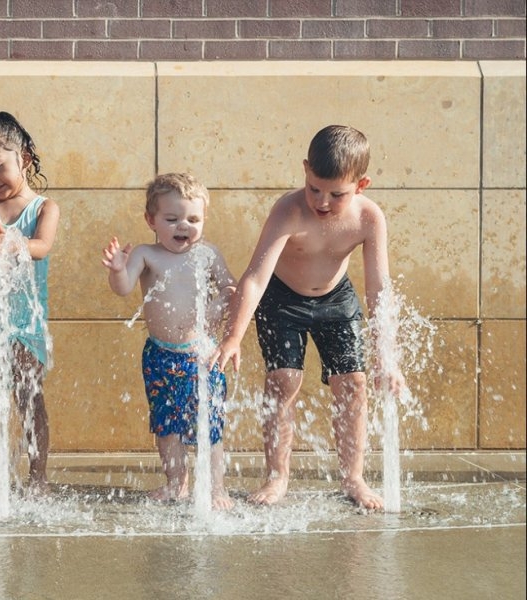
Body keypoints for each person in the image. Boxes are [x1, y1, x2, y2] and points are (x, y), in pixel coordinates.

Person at [211, 125, 405, 510]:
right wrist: (233, 336)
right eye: (314, 188)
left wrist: (388, 354)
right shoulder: (289, 210)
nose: (322, 201)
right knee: (284, 380)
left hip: (337, 299)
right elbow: (254, 278)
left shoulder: (369, 218)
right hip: (283, 299)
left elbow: (379, 288)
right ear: (304, 170)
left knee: (353, 382)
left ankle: (354, 478)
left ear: (361, 185)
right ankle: (278, 476)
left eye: (337, 194)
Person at [102, 173, 236, 510]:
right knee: (166, 427)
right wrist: (118, 269)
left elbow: (230, 288)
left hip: (203, 355)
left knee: (210, 426)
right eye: (172, 218)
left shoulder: (208, 254)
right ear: (151, 220)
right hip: (161, 355)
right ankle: (177, 483)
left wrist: (220, 306)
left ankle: (216, 488)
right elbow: (122, 288)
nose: (184, 226)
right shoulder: (147, 255)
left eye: (194, 219)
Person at [0, 112, 59, 496]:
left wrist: (13, 243)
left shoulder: (45, 208)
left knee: (29, 393)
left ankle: (38, 478)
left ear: (25, 160)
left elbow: (42, 246)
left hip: (27, 318)